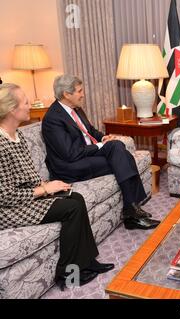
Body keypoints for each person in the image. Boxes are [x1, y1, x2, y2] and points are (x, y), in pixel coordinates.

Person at [0, 83, 114, 290]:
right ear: (11, 110)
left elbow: (27, 177)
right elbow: (5, 196)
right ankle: (68, 274)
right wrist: (44, 190)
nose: (29, 106)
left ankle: (88, 263)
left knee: (76, 197)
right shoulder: (1, 143)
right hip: (9, 209)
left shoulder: (18, 136)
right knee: (71, 208)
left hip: (28, 195)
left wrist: (47, 184)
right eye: (25, 102)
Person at [41, 75, 160, 230]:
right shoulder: (52, 119)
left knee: (117, 147)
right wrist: (99, 146)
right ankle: (132, 212)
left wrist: (102, 137)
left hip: (86, 155)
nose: (83, 94)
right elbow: (70, 153)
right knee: (122, 156)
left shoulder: (75, 109)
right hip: (69, 166)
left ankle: (131, 211)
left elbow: (89, 130)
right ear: (66, 94)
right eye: (79, 91)